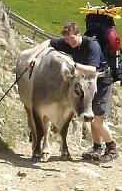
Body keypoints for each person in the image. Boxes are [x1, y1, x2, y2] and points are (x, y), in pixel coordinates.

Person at [27, 20, 117, 163]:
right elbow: (48, 42)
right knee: (91, 117)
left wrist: (72, 64)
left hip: (100, 83)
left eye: (72, 38)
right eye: (67, 39)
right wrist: (33, 56)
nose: (70, 42)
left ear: (78, 34)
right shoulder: (70, 43)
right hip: (85, 84)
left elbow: (93, 69)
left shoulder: (92, 45)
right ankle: (96, 147)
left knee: (97, 119)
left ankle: (112, 148)